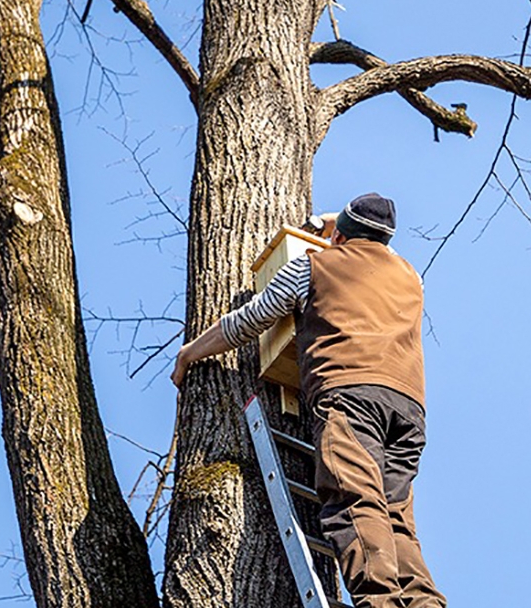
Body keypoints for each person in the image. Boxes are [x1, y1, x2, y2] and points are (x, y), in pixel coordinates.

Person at [171, 193, 447, 608]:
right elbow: (371, 243)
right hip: (408, 409)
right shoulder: (410, 277)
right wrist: (337, 225)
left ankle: (379, 603)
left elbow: (249, 320)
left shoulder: (312, 266)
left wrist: (190, 352)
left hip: (351, 395)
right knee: (396, 520)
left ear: (340, 237)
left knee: (356, 501)